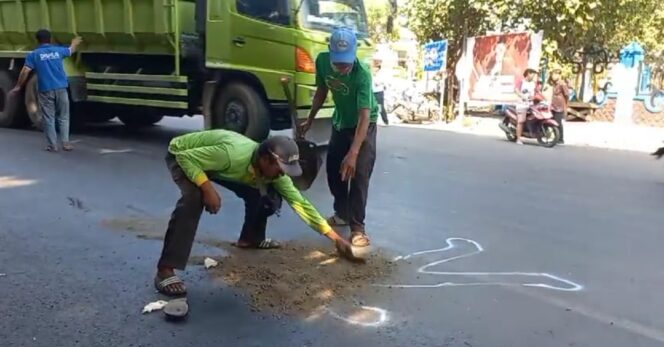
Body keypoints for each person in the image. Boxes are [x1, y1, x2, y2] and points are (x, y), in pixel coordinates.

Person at [155, 129, 357, 296]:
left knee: (267, 195)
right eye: (279, 168)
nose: (282, 174)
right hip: (184, 155)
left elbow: (301, 204)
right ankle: (165, 270)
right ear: (265, 159)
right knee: (194, 198)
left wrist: (334, 238)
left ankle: (251, 239)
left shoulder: (273, 173)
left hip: (217, 166)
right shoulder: (231, 155)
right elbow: (185, 157)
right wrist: (207, 188)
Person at [299, 27, 378, 248]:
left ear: (354, 53)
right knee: (334, 171)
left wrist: (354, 153)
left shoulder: (362, 74)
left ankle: (358, 228)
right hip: (341, 122)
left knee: (359, 174)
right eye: (339, 62)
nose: (343, 67)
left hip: (364, 126)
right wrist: (310, 119)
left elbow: (364, 116)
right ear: (330, 53)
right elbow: (322, 91)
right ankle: (341, 213)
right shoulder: (323, 62)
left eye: (346, 62)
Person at [11, 29, 82, 152]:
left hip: (45, 89)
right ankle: (66, 143)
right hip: (61, 88)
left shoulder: (34, 55)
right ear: (51, 39)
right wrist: (75, 42)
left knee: (49, 117)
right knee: (64, 116)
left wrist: (18, 86)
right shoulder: (58, 51)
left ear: (37, 40)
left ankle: (52, 145)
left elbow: (25, 71)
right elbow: (71, 50)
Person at [514, 68, 544, 145]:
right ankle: (518, 139)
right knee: (521, 121)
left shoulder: (533, 83)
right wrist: (523, 96)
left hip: (531, 104)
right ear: (528, 74)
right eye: (532, 74)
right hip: (522, 104)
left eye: (534, 74)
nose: (533, 76)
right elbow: (516, 90)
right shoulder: (521, 81)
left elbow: (538, 91)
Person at [548, 69, 569, 144]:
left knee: (558, 122)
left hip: (560, 107)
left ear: (559, 75)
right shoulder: (555, 84)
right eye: (552, 74)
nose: (553, 76)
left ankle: (561, 138)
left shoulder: (562, 84)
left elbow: (567, 95)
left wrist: (565, 106)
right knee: (552, 122)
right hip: (554, 105)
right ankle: (555, 137)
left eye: (555, 74)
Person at [372, 60, 389, 125]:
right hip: (372, 92)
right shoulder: (371, 74)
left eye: (376, 67)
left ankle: (385, 121)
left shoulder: (381, 75)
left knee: (380, 107)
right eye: (374, 67)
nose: (374, 69)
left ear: (378, 68)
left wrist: (378, 83)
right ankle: (373, 121)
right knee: (372, 107)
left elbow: (383, 83)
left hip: (379, 92)